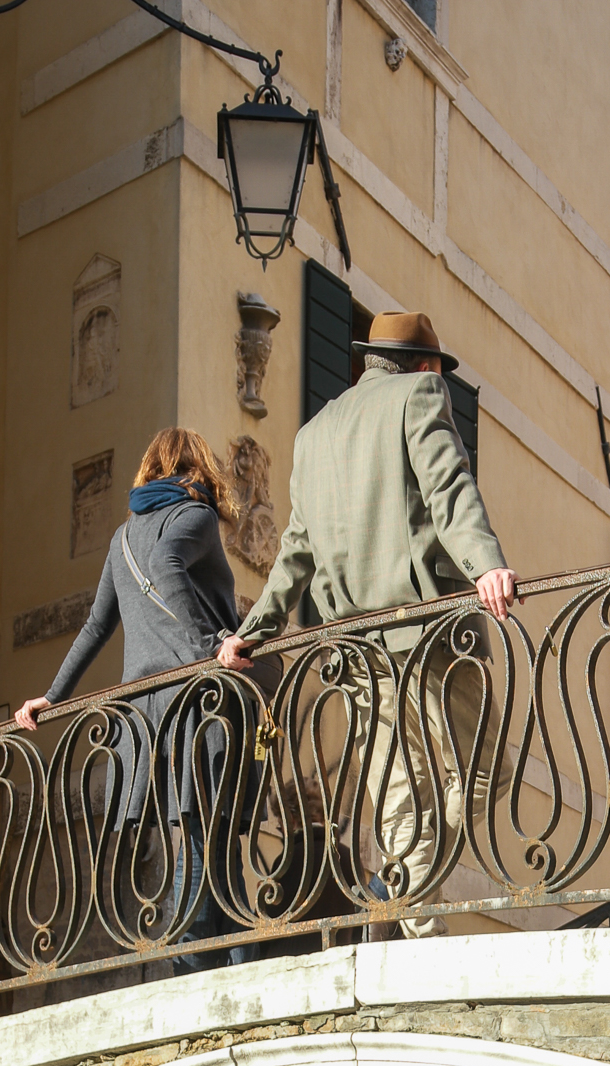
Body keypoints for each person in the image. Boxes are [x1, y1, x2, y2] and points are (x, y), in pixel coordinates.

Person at [218, 310, 519, 930]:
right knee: (485, 771)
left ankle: (418, 930)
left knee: (402, 803)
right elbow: (450, 489)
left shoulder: (312, 435)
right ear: (425, 366)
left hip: (355, 654)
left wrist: (253, 630)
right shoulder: (421, 395)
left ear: (369, 361)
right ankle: (420, 896)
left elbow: (296, 549)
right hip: (430, 636)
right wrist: (486, 565)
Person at [14, 427, 250, 971]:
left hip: (145, 719)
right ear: (198, 468)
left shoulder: (122, 539)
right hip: (199, 705)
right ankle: (199, 976)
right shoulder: (196, 515)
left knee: (203, 844)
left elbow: (96, 626)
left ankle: (213, 972)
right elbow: (167, 564)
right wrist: (211, 646)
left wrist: (53, 696)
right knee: (210, 848)